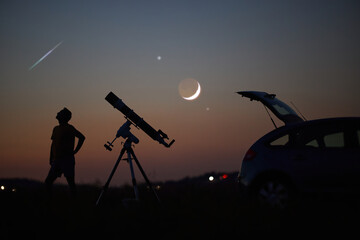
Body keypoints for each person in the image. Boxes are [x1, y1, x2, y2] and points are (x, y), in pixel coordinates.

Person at [45, 107, 85, 200]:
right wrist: (51, 158)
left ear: (63, 117)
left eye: (60, 112)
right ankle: (49, 202)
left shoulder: (69, 128)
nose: (57, 113)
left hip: (67, 160)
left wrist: (75, 151)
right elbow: (53, 144)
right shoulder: (55, 129)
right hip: (57, 160)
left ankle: (73, 203)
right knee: (48, 182)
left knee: (70, 183)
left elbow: (82, 137)